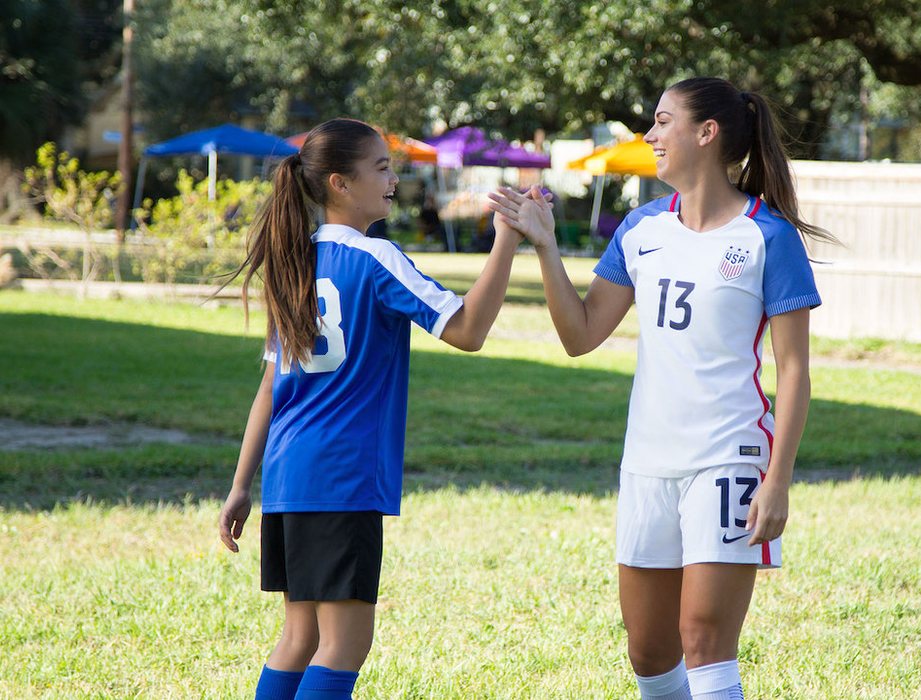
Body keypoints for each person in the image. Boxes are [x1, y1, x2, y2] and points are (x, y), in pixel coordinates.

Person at [489, 77, 835, 700]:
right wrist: (544, 247)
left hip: (729, 460)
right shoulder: (641, 228)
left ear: (707, 133)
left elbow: (794, 372)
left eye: (661, 121)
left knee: (704, 640)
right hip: (647, 463)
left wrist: (778, 481)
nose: (649, 135)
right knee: (649, 654)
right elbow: (581, 334)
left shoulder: (768, 237)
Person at [217, 117, 530, 700]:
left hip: (288, 476)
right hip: (343, 477)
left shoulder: (295, 261)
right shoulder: (374, 256)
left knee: (299, 637)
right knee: (343, 645)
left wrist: (242, 485)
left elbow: (269, 389)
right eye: (381, 167)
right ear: (339, 183)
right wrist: (507, 241)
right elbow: (467, 330)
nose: (393, 177)